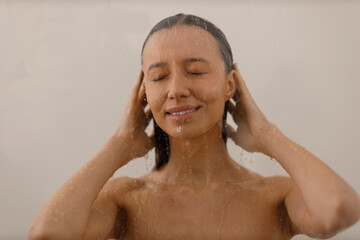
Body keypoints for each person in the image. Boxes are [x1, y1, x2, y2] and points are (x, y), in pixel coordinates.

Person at [28, 13, 360, 240]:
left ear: (231, 85)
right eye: (158, 77)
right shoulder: (126, 200)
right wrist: (119, 145)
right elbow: (47, 233)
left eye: (196, 71)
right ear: (143, 93)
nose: (176, 90)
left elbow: (340, 209)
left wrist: (265, 134)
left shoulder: (273, 196)